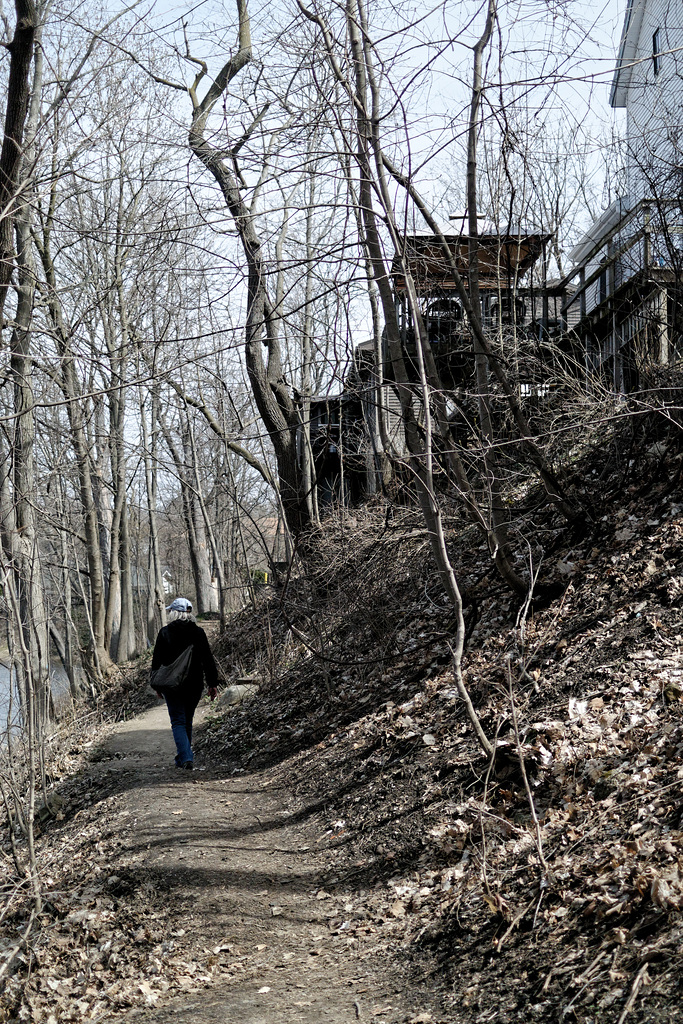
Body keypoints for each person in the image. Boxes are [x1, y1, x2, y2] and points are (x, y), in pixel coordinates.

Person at [151, 598, 218, 770]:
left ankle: (186, 756)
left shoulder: (165, 633)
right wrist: (212, 683)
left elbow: (156, 663)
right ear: (189, 612)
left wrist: (157, 686)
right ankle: (184, 757)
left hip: (172, 686)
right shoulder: (198, 633)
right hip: (194, 685)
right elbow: (208, 660)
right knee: (186, 720)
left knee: (178, 722)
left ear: (174, 612)